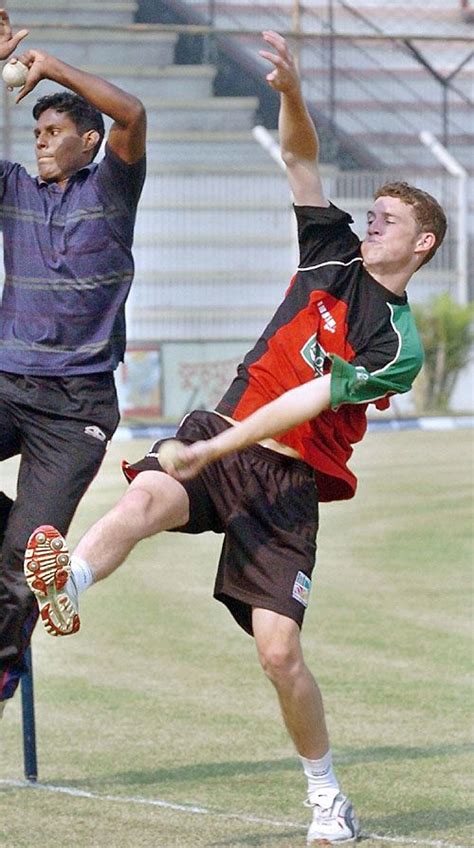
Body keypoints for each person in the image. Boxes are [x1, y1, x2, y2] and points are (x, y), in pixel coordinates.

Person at [23, 30, 447, 846]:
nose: (371, 223)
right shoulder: (328, 254)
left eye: (387, 220)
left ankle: (326, 796)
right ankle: (70, 580)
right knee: (146, 494)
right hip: (221, 432)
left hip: (284, 482)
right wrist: (290, 92)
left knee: (280, 655)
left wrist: (216, 451)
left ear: (421, 244)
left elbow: (306, 403)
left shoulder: (397, 342)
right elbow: (301, 160)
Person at [0, 8, 146, 714]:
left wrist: (49, 67)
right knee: (18, 543)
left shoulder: (112, 189)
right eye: (35, 131)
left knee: (23, 565)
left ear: (89, 141)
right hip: (6, 383)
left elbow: (134, 111)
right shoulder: (15, 190)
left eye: (55, 131)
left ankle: (2, 671)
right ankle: (17, 532)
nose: (41, 142)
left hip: (76, 407)